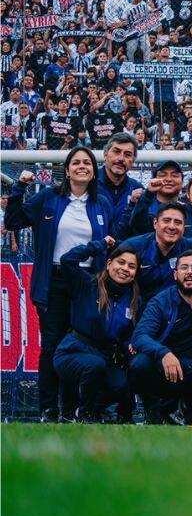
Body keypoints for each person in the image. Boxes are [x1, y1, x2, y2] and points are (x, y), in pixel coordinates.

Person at [5, 149, 113, 422]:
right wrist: (20, 187)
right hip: (54, 280)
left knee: (80, 346)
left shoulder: (102, 203)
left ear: (93, 170)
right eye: (75, 162)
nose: (81, 166)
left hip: (86, 283)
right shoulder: (49, 197)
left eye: (86, 162)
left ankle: (72, 410)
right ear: (66, 170)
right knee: (52, 345)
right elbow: (14, 220)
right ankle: (48, 410)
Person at [129, 251, 192, 424]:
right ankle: (153, 410)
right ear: (175, 274)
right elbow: (139, 336)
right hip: (163, 365)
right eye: (184, 268)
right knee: (139, 365)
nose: (190, 272)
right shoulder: (160, 301)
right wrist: (163, 353)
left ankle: (187, 407)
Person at [53, 240, 140, 422]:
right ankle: (85, 414)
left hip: (105, 356)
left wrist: (129, 347)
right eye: (121, 262)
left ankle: (95, 409)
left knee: (120, 384)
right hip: (72, 351)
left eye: (132, 266)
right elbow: (67, 260)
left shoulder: (135, 300)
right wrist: (98, 245)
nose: (125, 269)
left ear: (135, 273)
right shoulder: (87, 283)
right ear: (109, 264)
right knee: (93, 365)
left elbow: (127, 336)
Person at [120, 201, 192, 299]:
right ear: (155, 223)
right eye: (166, 220)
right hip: (139, 312)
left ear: (184, 227)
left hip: (176, 314)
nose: (172, 226)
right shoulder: (133, 247)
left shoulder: (188, 246)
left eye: (178, 222)